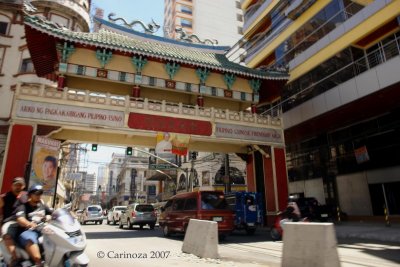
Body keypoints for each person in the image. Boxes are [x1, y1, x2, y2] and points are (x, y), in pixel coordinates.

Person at [14, 184, 52, 266]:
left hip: (43, 230)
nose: (39, 196)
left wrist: (49, 216)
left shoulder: (43, 206)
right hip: (28, 231)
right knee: (30, 239)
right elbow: (20, 219)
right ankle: (38, 263)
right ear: (30, 194)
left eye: (40, 193)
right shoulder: (23, 207)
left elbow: (52, 213)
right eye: (36, 193)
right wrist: (29, 223)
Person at [0, 177, 28, 266]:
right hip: (9, 223)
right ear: (12, 186)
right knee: (6, 233)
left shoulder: (26, 196)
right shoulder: (5, 197)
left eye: (20, 185)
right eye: (16, 185)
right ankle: (15, 258)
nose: (18, 187)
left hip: (23, 222)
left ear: (23, 186)